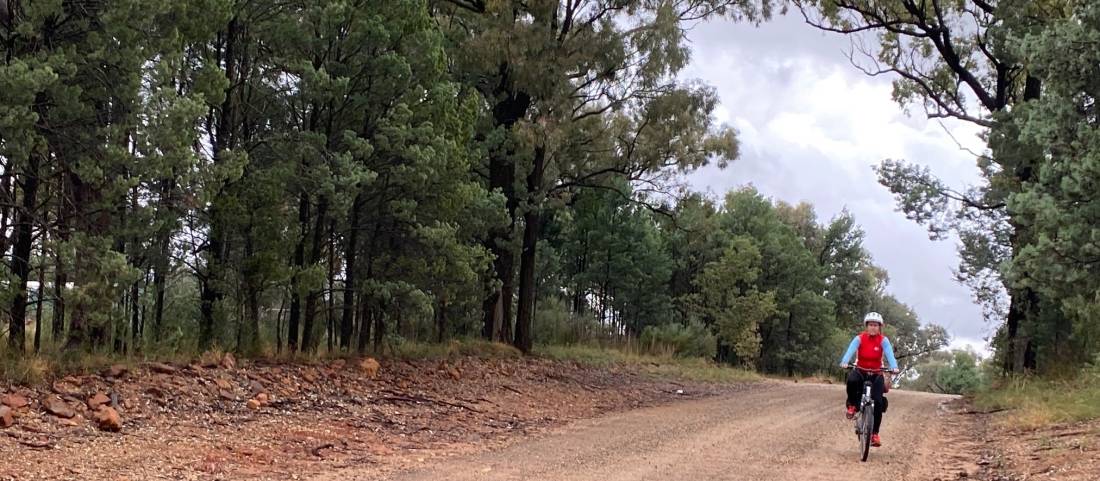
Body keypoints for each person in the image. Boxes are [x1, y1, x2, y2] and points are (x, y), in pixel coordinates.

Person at [839, 311, 899, 448]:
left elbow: (889, 354)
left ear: (880, 327)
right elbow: (850, 351)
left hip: (876, 373)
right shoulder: (859, 338)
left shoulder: (883, 340)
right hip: (860, 370)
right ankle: (852, 406)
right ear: (867, 326)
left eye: (876, 325)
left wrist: (894, 367)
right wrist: (845, 361)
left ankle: (875, 434)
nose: (873, 327)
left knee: (878, 402)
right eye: (870, 325)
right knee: (852, 380)